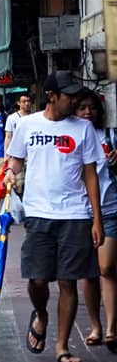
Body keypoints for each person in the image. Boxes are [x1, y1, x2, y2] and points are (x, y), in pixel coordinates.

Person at [4, 71, 105, 361]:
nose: (74, 100)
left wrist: (96, 220)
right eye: (68, 95)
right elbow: (17, 159)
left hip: (75, 214)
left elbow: (91, 176)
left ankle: (62, 347)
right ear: (51, 96)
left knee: (68, 281)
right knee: (36, 279)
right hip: (38, 213)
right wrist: (11, 172)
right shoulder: (27, 125)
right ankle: (40, 313)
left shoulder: (83, 129)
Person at [76, 92, 117, 349]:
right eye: (82, 108)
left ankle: (112, 327)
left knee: (106, 268)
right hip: (80, 212)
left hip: (110, 207)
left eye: (92, 108)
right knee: (89, 274)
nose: (88, 113)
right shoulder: (72, 137)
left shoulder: (110, 136)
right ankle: (96, 326)